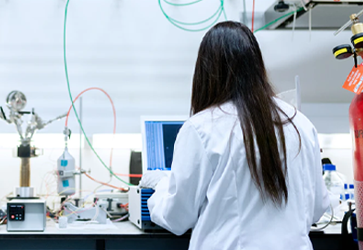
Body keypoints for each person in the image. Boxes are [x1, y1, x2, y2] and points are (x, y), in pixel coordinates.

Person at [140, 21, 330, 250]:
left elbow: (177, 217)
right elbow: (318, 208)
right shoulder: (299, 123)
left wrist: (161, 187)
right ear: (257, 65)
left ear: (206, 72)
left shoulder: (202, 128)